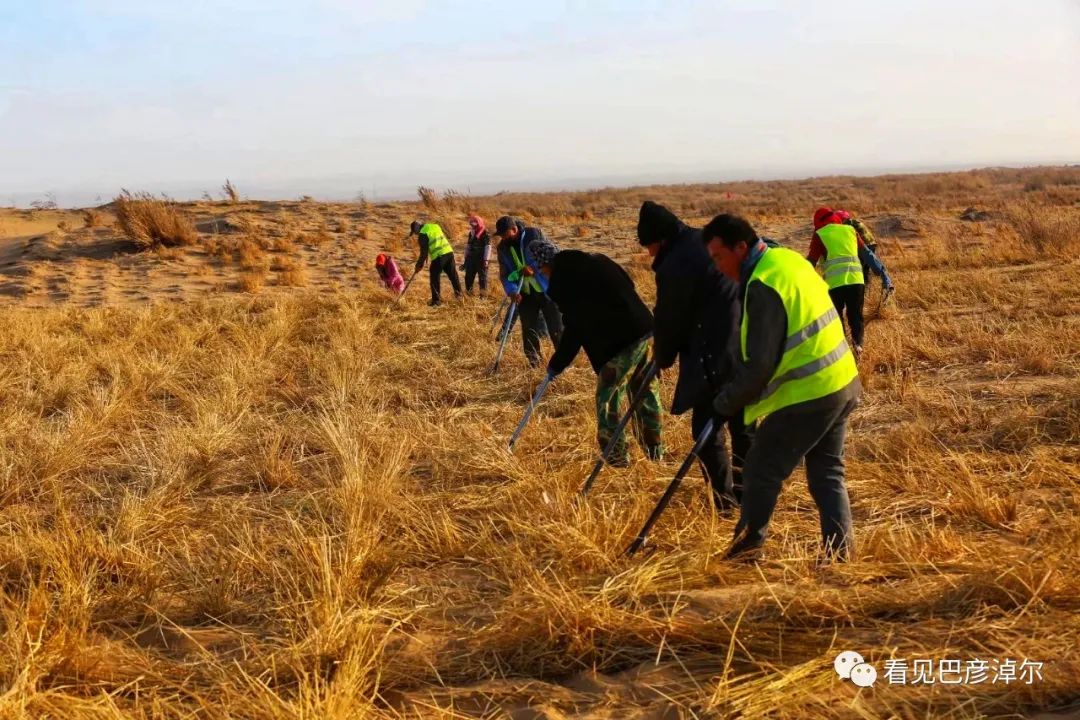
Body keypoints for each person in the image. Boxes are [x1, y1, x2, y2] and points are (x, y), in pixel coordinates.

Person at [704, 213, 860, 562]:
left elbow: (759, 365)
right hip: (842, 379)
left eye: (719, 257)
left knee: (760, 470)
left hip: (810, 392)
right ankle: (840, 556)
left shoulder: (763, 283)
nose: (717, 267)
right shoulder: (785, 259)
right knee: (827, 471)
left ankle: (746, 552)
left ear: (740, 248)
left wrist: (723, 404)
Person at [636, 201, 750, 510]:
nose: (649, 254)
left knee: (706, 431)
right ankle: (749, 494)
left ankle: (726, 503)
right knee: (743, 422)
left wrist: (662, 357)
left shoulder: (676, 262)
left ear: (661, 238)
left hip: (712, 352)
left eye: (649, 246)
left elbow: (670, 317)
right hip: (742, 341)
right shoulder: (701, 241)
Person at [530, 238, 664, 466]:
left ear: (545, 265)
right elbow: (628, 283)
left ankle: (617, 458)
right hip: (646, 330)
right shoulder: (597, 259)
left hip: (620, 343)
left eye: (540, 268)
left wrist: (557, 363)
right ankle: (655, 453)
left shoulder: (563, 282)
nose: (542, 273)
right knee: (645, 392)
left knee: (607, 398)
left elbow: (574, 328)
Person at [807, 207, 892, 356]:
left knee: (836, 317)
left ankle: (843, 350)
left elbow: (811, 263)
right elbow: (867, 255)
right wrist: (883, 274)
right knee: (856, 316)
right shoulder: (850, 231)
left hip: (834, 285)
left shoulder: (819, 235)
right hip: (856, 281)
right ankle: (858, 345)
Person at [494, 216, 563, 367]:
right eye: (501, 235)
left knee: (556, 329)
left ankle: (563, 363)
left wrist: (534, 269)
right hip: (524, 294)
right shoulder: (502, 248)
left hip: (547, 290)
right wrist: (512, 291)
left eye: (505, 234)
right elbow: (505, 274)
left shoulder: (534, 235)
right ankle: (534, 363)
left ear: (514, 229)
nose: (503, 238)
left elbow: (552, 256)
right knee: (528, 328)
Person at [833, 209, 895, 304]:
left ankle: (863, 295)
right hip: (871, 244)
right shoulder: (855, 222)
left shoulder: (848, 226)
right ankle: (868, 293)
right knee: (866, 269)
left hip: (863, 246)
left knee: (861, 270)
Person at [410, 220, 463, 306]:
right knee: (453, 276)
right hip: (449, 252)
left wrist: (419, 265)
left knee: (434, 277)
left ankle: (436, 301)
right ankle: (459, 296)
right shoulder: (435, 226)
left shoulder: (423, 233)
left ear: (416, 229)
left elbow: (424, 252)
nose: (416, 235)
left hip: (438, 256)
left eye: (415, 233)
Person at [462, 214, 492, 296]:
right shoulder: (471, 233)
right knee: (468, 277)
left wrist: (486, 260)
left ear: (479, 223)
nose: (473, 226)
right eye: (471, 225)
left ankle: (483, 296)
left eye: (475, 225)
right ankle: (469, 295)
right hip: (471, 258)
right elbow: (468, 246)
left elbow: (488, 247)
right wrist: (465, 259)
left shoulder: (486, 233)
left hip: (482, 259)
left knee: (482, 279)